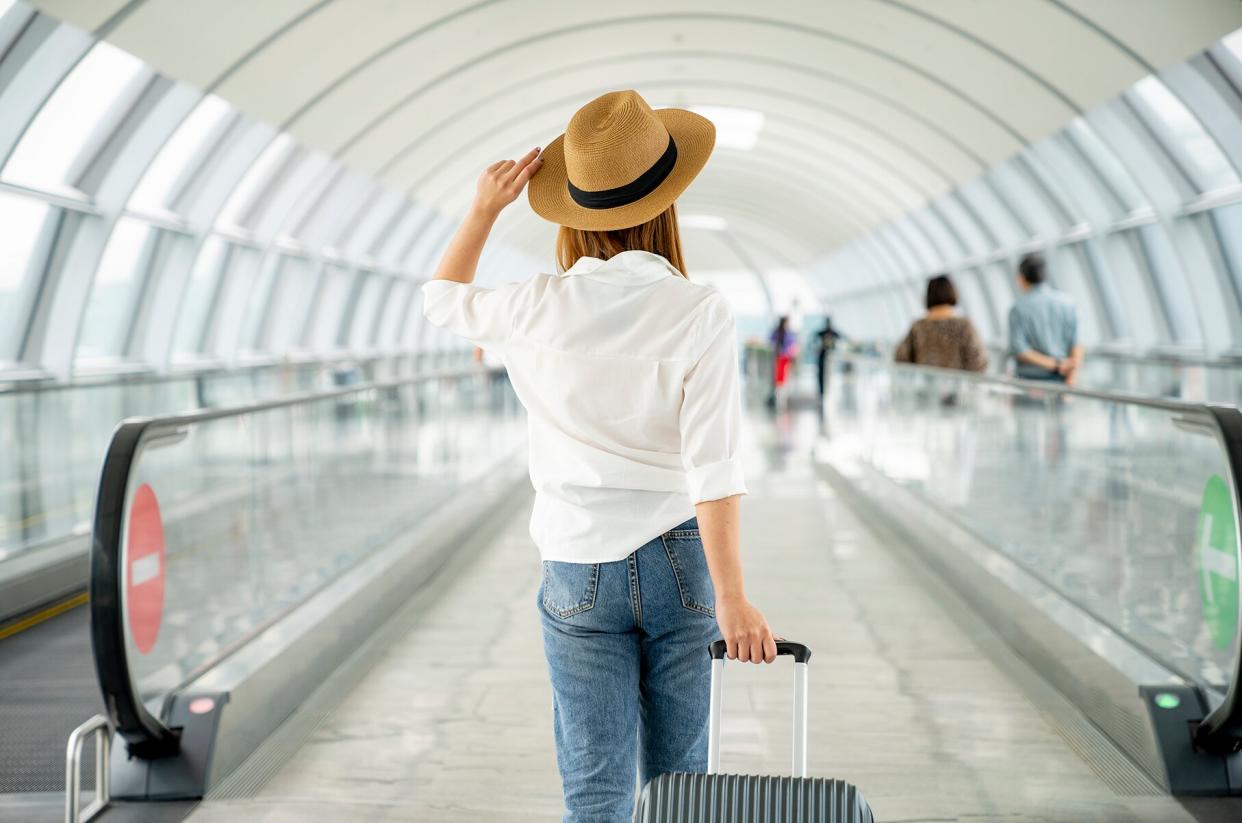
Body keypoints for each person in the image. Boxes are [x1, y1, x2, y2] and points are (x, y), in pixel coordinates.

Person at [419, 90, 776, 822]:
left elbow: (440, 300)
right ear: (664, 206)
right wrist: (735, 598)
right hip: (681, 558)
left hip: (576, 565)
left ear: (575, 214)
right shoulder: (700, 311)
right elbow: (713, 466)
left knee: (594, 789)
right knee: (683, 787)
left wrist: (484, 209)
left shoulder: (532, 305)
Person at [1008, 253, 1082, 383]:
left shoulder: (1018, 308)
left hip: (1028, 382)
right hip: (1060, 379)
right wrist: (1071, 379)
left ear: (1021, 278)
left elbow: (1020, 350)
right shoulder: (1067, 303)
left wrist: (1056, 364)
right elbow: (1076, 344)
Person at [894, 275, 988, 373]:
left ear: (928, 295)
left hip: (926, 386)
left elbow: (900, 357)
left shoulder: (919, 326)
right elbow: (978, 361)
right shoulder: (963, 325)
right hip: (957, 386)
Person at [768, 315, 797, 407]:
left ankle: (781, 396)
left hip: (782, 357)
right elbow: (792, 345)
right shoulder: (785, 333)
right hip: (783, 357)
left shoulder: (778, 332)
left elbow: (771, 341)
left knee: (781, 376)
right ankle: (781, 397)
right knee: (781, 376)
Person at [816, 315, 842, 397]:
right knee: (821, 375)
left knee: (829, 375)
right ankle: (822, 392)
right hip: (823, 357)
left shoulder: (834, 333)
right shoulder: (822, 333)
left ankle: (827, 392)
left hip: (830, 358)